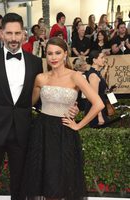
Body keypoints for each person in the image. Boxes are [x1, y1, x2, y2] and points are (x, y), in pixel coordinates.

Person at [0, 13, 79, 200]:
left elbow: (42, 96)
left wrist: (70, 106)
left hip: (23, 132)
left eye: (17, 33)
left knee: (21, 185)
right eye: (9, 33)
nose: (13, 38)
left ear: (24, 34)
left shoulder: (35, 62)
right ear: (1, 34)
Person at [23, 37, 104, 200]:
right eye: (50, 53)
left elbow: (98, 103)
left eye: (58, 53)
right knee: (46, 182)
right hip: (42, 132)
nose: (53, 57)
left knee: (62, 182)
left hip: (64, 132)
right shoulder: (41, 78)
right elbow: (29, 104)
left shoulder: (76, 76)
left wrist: (78, 125)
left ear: (65, 54)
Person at [84, 50, 109, 128]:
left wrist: (106, 69)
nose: (104, 60)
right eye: (101, 57)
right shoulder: (93, 75)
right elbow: (95, 98)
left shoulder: (96, 73)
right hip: (95, 111)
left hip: (99, 108)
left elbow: (101, 80)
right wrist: (99, 116)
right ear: (94, 60)